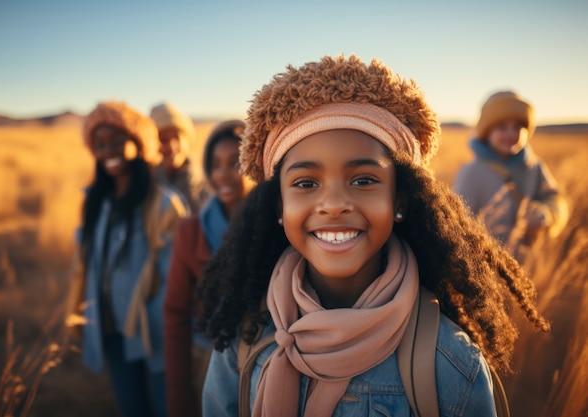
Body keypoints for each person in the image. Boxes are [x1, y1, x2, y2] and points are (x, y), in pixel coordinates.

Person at [195, 55, 551, 417]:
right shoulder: (242, 343)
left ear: (398, 200)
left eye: (363, 180)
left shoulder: (451, 365)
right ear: (279, 207)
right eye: (305, 183)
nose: (333, 204)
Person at [77, 101, 188, 417]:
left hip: (154, 333)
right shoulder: (96, 203)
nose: (108, 150)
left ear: (138, 145)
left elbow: (175, 277)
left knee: (170, 407)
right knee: (132, 408)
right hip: (112, 329)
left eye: (116, 140)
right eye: (100, 144)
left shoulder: (165, 204)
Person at [163, 119, 253, 417]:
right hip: (209, 364)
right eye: (215, 165)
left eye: (235, 163)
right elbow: (176, 313)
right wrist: (179, 397)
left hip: (267, 364)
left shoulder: (280, 228)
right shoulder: (191, 232)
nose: (223, 173)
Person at [454, 91, 569, 262]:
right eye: (502, 127)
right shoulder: (472, 172)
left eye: (517, 127)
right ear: (486, 132)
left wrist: (547, 213)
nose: (511, 134)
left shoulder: (534, 166)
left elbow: (554, 197)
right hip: (485, 264)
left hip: (527, 263)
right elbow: (457, 222)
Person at [150, 102, 209, 214]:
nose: (172, 146)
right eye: (163, 140)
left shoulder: (207, 187)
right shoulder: (146, 189)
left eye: (177, 137)